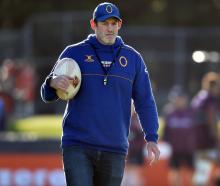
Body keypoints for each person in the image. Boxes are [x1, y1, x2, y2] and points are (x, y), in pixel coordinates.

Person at [41, 2, 160, 186]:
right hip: (78, 145)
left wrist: (151, 137)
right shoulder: (74, 53)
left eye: (114, 23)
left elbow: (145, 101)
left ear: (119, 25)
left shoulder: (133, 58)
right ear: (93, 24)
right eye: (105, 23)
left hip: (115, 148)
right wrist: (52, 82)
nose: (110, 28)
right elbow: (47, 94)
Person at [163, 86, 197, 186]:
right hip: (175, 148)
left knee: (191, 172)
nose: (179, 100)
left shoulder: (191, 112)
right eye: (177, 98)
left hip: (189, 148)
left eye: (181, 98)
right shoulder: (169, 112)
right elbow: (166, 132)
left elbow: (196, 130)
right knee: (174, 172)